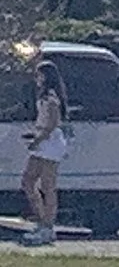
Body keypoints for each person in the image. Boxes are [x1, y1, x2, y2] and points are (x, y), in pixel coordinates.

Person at [21, 61, 68, 246]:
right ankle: (42, 219)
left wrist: (37, 140)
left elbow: (52, 123)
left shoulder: (51, 97)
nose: (37, 79)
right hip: (42, 139)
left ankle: (48, 226)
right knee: (28, 181)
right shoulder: (42, 96)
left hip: (50, 143)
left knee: (48, 185)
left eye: (39, 75)